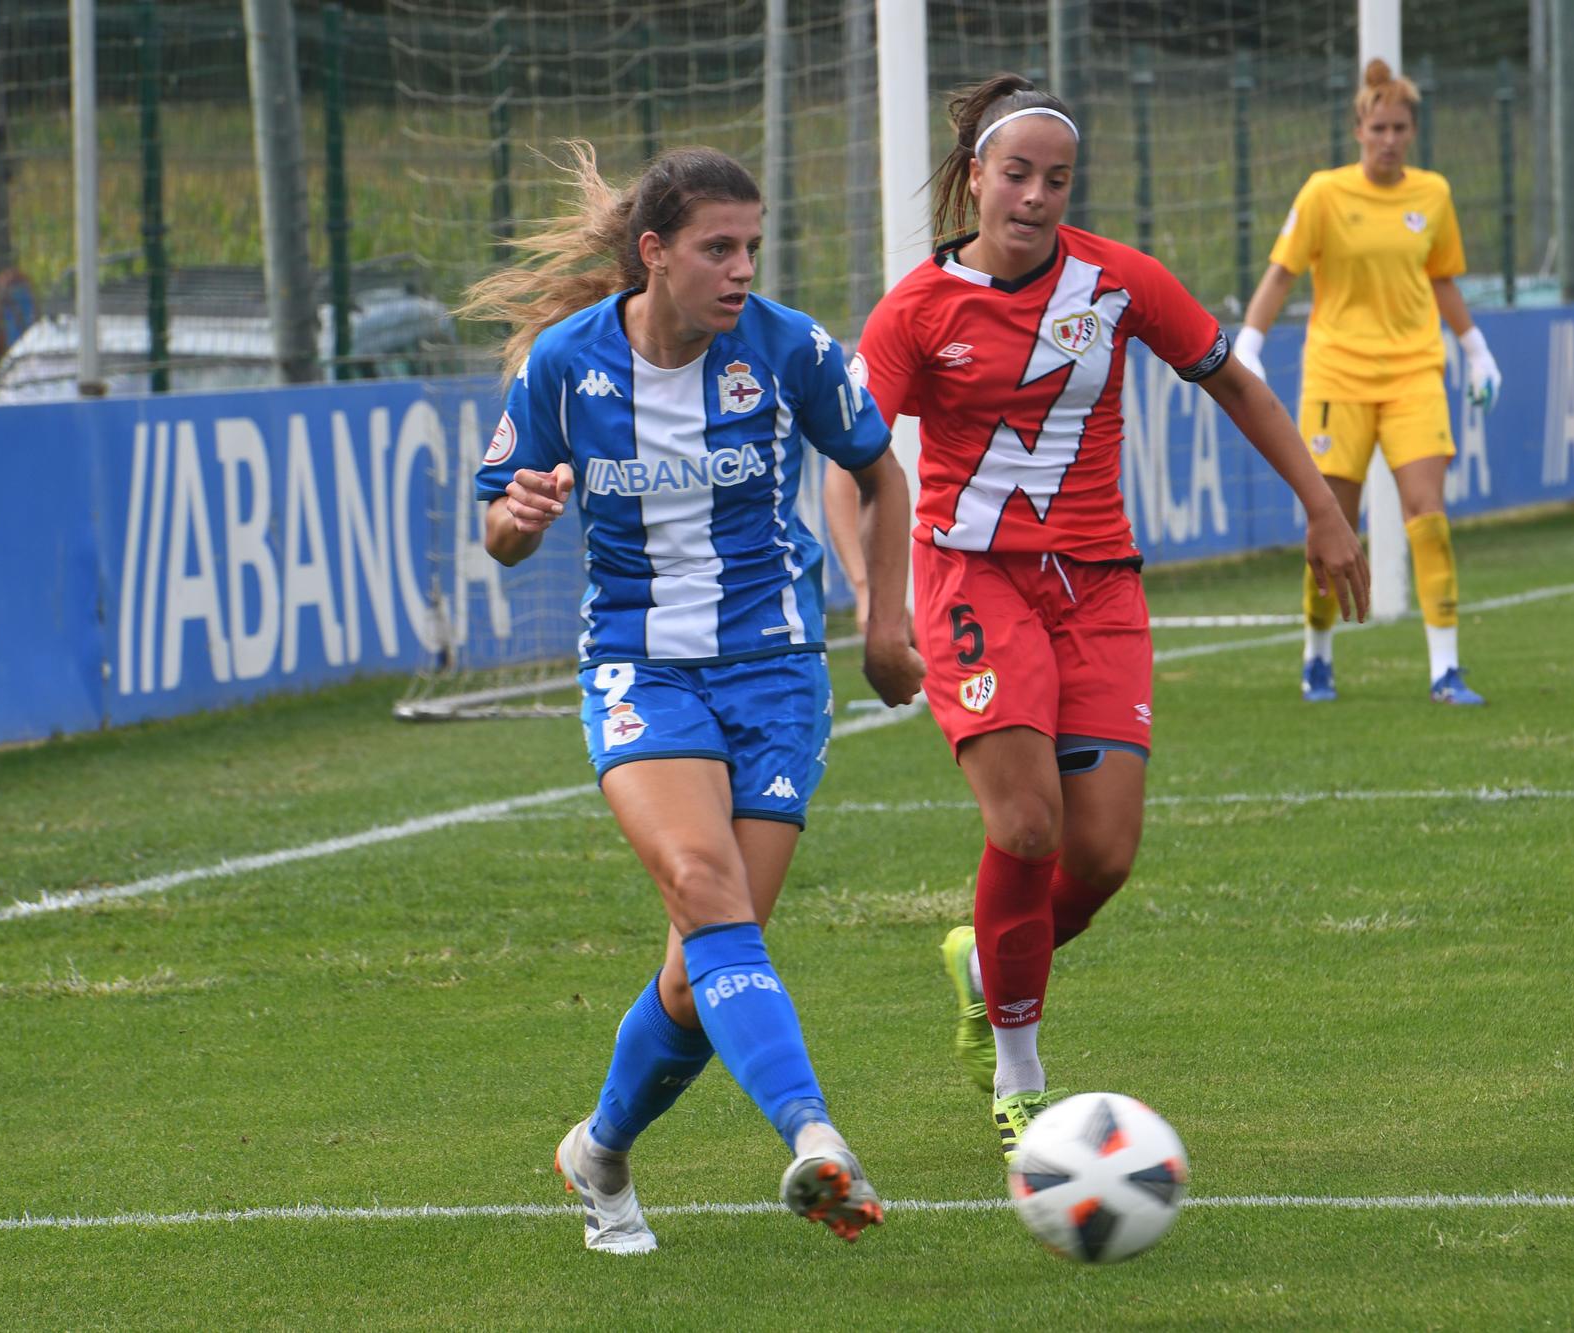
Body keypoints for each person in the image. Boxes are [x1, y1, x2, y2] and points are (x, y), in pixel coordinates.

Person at [822, 74, 1368, 1163]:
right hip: (971, 581)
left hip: (1099, 590)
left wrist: (1322, 509)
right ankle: (1020, 1072)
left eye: (1054, 179)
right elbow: (851, 466)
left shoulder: (1116, 281)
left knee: (1102, 856)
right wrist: (873, 600)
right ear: (975, 177)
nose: (1033, 196)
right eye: (1014, 174)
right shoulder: (914, 312)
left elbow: (1235, 382)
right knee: (1024, 825)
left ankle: (984, 964)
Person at [466, 142, 925, 1252]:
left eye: (751, 247)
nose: (740, 270)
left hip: (773, 676)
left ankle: (601, 1150)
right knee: (705, 885)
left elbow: (879, 472)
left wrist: (885, 616)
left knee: (700, 967)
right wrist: (517, 523)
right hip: (640, 668)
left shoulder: (787, 348)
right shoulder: (562, 366)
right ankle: (815, 1137)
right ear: (653, 255)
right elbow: (499, 525)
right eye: (718, 248)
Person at [1233, 58, 1502, 706]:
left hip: (1414, 372)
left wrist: (1476, 349)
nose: (1388, 138)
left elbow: (1441, 279)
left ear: (1413, 132)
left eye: (1400, 127)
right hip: (1338, 375)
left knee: (1426, 512)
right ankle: (1317, 654)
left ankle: (1445, 668)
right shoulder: (1324, 193)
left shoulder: (1432, 194)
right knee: (1333, 520)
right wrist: (1248, 341)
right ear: (1358, 128)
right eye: (1378, 126)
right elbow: (1281, 272)